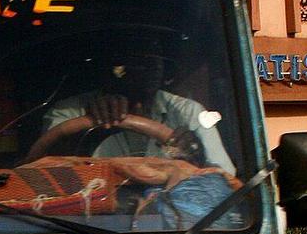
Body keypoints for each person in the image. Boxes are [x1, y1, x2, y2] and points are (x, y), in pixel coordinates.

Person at [39, 35, 232, 172]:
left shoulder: (187, 113)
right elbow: (43, 170)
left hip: (172, 224)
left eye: (152, 62)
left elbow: (224, 179)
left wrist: (193, 155)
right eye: (131, 63)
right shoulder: (68, 113)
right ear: (109, 69)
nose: (143, 71)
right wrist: (88, 123)